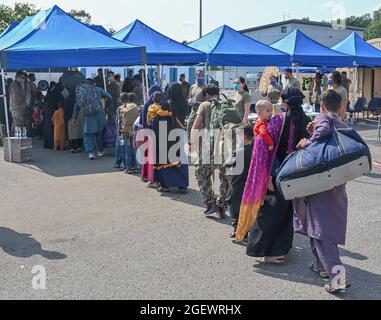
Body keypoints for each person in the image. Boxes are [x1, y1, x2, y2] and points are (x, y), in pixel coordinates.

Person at [236, 87, 309, 263]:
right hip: (297, 172)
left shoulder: (279, 120)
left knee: (269, 212)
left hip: (277, 173)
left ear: (285, 102)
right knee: (286, 211)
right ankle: (282, 249)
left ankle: (268, 250)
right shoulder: (307, 121)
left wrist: (266, 175)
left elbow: (262, 144)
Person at [294, 90, 351, 294]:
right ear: (341, 106)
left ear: (322, 106)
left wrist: (306, 142)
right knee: (318, 228)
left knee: (321, 233)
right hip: (336, 184)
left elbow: (322, 132)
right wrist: (313, 133)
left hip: (321, 186)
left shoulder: (324, 118)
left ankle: (338, 278)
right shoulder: (343, 125)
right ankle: (321, 266)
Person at [191, 85, 230, 217]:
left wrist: (192, 143)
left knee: (201, 174)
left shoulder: (205, 105)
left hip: (210, 145)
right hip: (227, 146)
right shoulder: (228, 104)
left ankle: (210, 203)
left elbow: (196, 126)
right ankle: (222, 205)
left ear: (206, 94)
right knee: (225, 177)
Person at [154, 83, 190, 193]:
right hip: (181, 134)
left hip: (168, 136)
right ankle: (182, 186)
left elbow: (160, 121)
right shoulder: (184, 103)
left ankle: (165, 186)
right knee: (181, 160)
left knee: (166, 161)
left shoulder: (166, 105)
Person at [226, 124, 254, 238]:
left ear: (243, 137)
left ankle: (236, 228)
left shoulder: (238, 151)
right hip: (250, 184)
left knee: (234, 206)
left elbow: (227, 165)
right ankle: (245, 230)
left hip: (237, 184)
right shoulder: (255, 150)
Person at [72, 81, 108, 160]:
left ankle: (90, 153)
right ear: (92, 83)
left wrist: (74, 117)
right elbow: (110, 97)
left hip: (87, 117)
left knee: (87, 135)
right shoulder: (98, 89)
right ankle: (100, 150)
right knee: (99, 134)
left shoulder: (81, 92)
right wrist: (108, 108)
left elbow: (77, 105)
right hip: (99, 117)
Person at [117, 92, 140, 174]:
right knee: (134, 149)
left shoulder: (121, 108)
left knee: (127, 150)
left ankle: (128, 168)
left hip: (125, 131)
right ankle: (136, 167)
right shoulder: (135, 106)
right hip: (134, 130)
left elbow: (119, 122)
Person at [43, 81, 64, 149]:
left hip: (48, 112)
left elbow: (46, 101)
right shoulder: (57, 93)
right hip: (53, 111)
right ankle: (55, 144)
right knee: (53, 129)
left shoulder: (49, 92)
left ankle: (49, 144)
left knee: (48, 128)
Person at [187, 70, 207, 138]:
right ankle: (190, 141)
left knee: (200, 129)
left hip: (201, 112)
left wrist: (196, 102)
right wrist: (189, 101)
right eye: (198, 76)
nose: (200, 77)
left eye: (201, 76)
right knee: (189, 125)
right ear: (195, 76)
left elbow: (207, 102)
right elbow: (189, 98)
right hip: (193, 111)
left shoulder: (205, 87)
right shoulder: (192, 87)